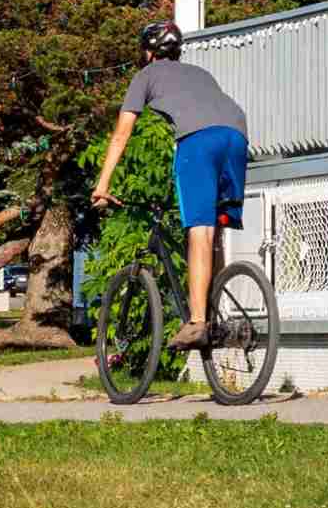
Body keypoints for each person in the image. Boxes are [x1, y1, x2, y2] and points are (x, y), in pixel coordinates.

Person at [91, 22, 250, 350]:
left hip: (199, 141)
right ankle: (212, 311)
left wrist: (102, 185)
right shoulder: (200, 74)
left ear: (148, 52)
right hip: (236, 135)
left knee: (199, 230)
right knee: (215, 228)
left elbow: (122, 133)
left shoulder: (144, 76)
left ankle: (196, 322)